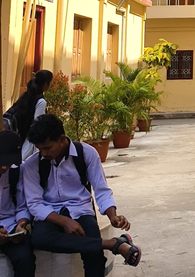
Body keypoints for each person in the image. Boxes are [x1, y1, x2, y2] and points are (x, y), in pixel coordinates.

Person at [22, 114, 141, 275]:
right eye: (39, 149)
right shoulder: (31, 165)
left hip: (81, 210)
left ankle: (105, 245)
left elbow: (101, 189)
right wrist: (65, 221)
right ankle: (112, 244)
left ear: (62, 139)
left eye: (47, 148)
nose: (43, 153)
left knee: (95, 258)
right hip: (50, 213)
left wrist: (112, 216)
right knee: (39, 239)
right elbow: (34, 203)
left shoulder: (86, 153)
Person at [0, 132, 34, 277]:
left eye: (8, 163)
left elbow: (21, 205)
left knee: (25, 259)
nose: (4, 167)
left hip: (9, 225)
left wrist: (21, 223)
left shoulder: (16, 171)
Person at [4, 69, 53, 159]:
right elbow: (38, 125)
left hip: (19, 136)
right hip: (28, 142)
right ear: (46, 84)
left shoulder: (26, 96)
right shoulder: (41, 102)